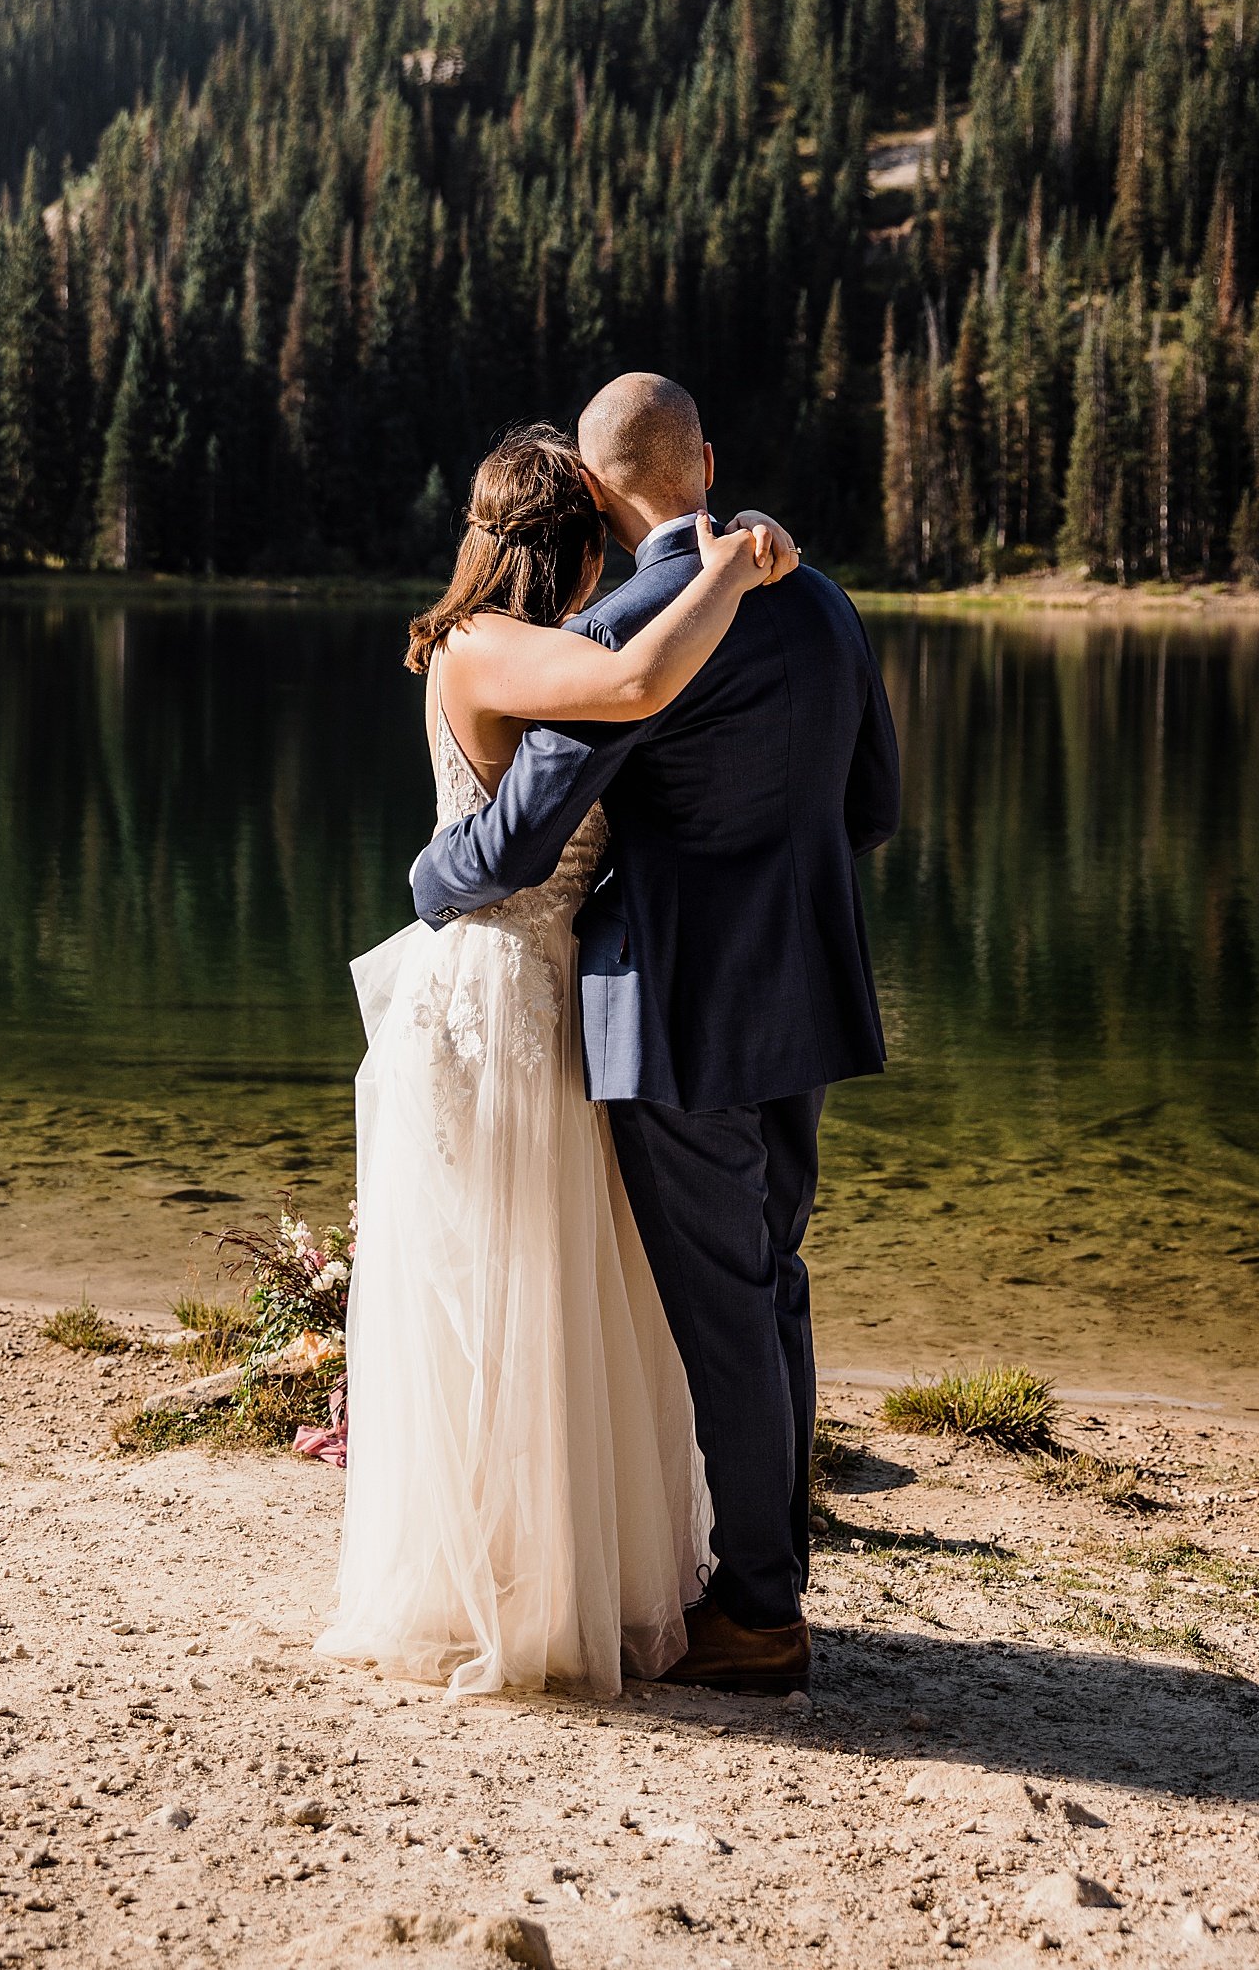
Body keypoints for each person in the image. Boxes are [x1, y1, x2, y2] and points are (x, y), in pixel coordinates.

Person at [411, 373, 900, 1696]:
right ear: (705, 458)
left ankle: (759, 1607)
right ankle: (770, 1580)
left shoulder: (634, 625)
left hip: (678, 1006)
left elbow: (517, 836)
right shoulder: (826, 599)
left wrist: (428, 890)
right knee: (775, 1279)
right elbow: (875, 803)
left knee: (727, 1309)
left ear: (596, 485)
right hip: (807, 983)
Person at [314, 424, 799, 1701]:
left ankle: (551, 1566)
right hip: (492, 995)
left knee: (560, 1289)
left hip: (549, 996)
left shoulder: (525, 645)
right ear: (571, 539)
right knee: (493, 1291)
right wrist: (729, 567)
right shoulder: (493, 646)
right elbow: (638, 685)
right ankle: (498, 1583)